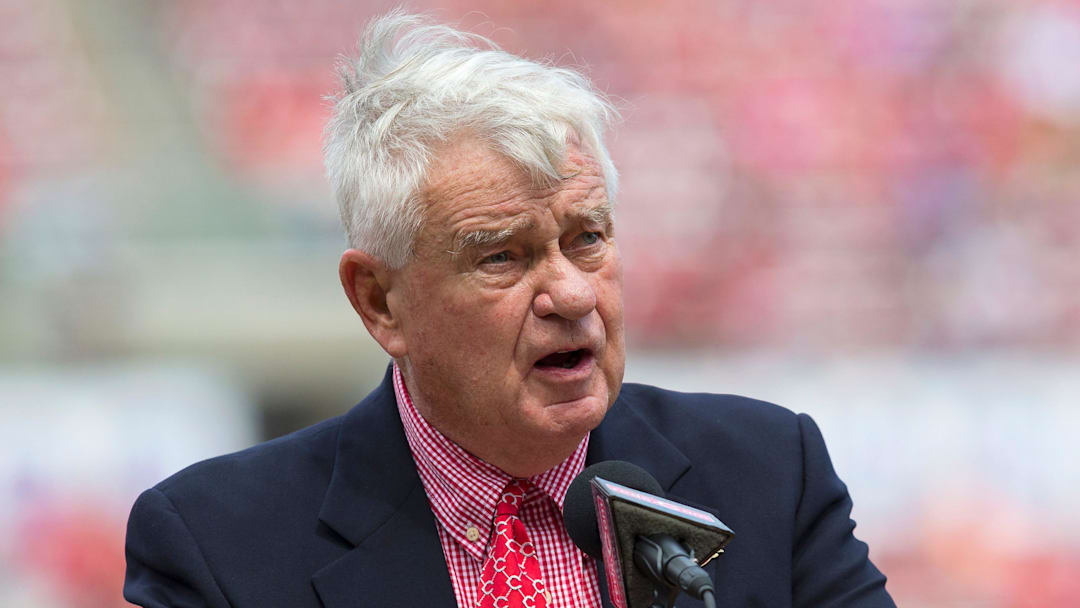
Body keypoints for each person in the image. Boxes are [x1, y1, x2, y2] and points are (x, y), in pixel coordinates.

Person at [124, 11, 894, 608]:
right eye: (503, 256)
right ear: (379, 300)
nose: (572, 294)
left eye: (586, 238)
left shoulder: (769, 471)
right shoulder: (216, 545)